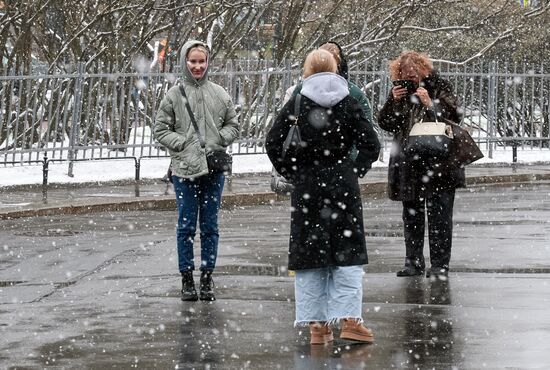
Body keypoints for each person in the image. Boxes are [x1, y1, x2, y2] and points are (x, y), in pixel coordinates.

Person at [266, 49, 381, 345]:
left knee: (310, 253)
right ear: (335, 68)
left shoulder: (299, 99)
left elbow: (273, 140)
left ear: (307, 70)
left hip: (308, 187)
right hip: (342, 185)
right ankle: (350, 320)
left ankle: (317, 325)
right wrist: (353, 169)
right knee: (347, 251)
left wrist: (292, 170)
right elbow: (371, 144)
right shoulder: (349, 99)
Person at [153, 40, 239, 301]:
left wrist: (217, 139)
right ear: (184, 62)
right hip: (184, 171)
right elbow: (160, 130)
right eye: (193, 62)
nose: (198, 66)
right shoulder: (174, 96)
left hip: (213, 170)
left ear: (208, 62)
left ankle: (207, 276)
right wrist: (183, 144)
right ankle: (187, 278)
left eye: (202, 61)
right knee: (186, 225)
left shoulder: (220, 93)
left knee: (210, 225)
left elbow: (233, 125)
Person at [377, 51, 463, 278]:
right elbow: (386, 123)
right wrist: (392, 101)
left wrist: (430, 104)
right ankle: (413, 263)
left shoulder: (439, 86)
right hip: (409, 163)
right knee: (412, 215)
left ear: (424, 69)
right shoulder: (400, 92)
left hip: (439, 163)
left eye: (414, 73)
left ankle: (439, 265)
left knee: (440, 217)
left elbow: (454, 116)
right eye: (405, 74)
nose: (411, 78)